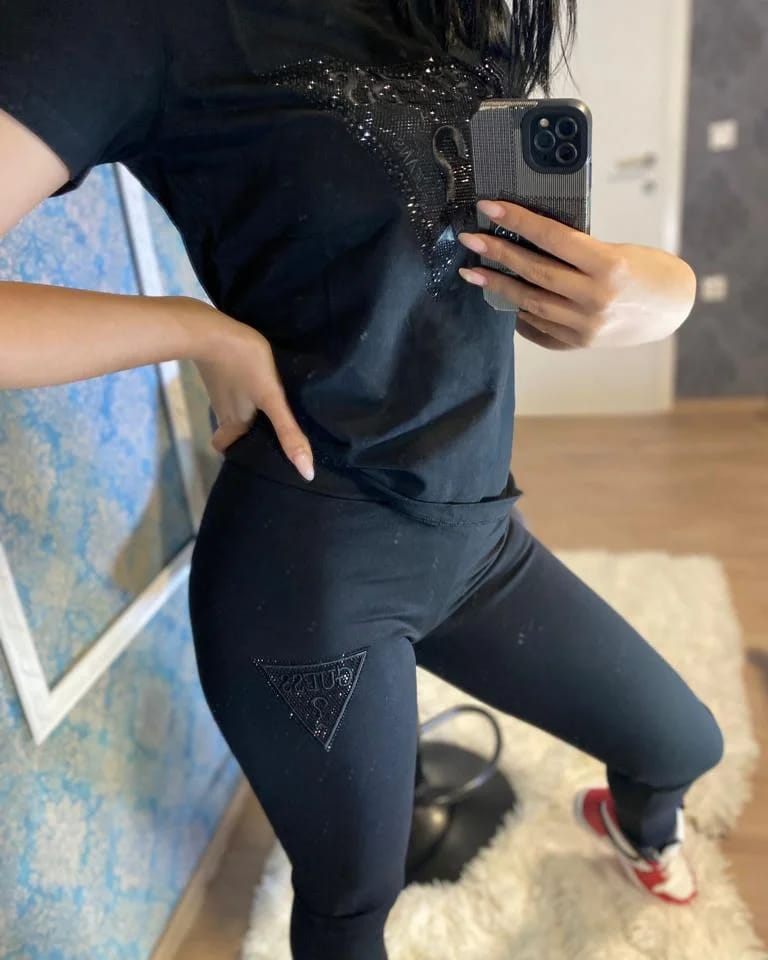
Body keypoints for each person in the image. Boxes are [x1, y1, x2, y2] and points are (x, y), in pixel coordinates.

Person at [0, 1, 724, 957]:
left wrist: (656, 290)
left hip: (478, 539)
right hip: (312, 571)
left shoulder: (451, 13)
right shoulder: (144, 21)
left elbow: (503, 275)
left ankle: (636, 828)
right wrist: (193, 329)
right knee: (353, 902)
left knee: (683, 744)